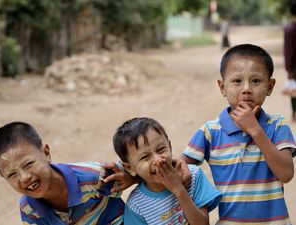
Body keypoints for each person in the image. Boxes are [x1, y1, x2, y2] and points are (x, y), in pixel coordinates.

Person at [181, 44, 296, 224]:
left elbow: (286, 174)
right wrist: (134, 177)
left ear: (270, 86)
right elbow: (179, 169)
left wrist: (255, 131)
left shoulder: (277, 126)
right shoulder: (210, 132)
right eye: (237, 81)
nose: (246, 89)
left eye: (256, 81)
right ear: (222, 87)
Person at [0, 121, 124, 224]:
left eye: (29, 164)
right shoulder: (28, 208)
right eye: (12, 174)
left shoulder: (93, 176)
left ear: (46, 153)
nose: (24, 178)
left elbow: (135, 172)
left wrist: (129, 178)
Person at [113, 117, 222, 225]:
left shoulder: (193, 175)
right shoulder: (136, 206)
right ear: (129, 168)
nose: (158, 160)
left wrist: (179, 190)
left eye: (161, 149)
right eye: (145, 157)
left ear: (169, 146)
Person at [284, 2, 296, 121]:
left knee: (294, 89)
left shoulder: (290, 29)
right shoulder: (290, 29)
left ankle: (294, 113)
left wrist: (289, 68)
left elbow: (288, 50)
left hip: (294, 66)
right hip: (294, 66)